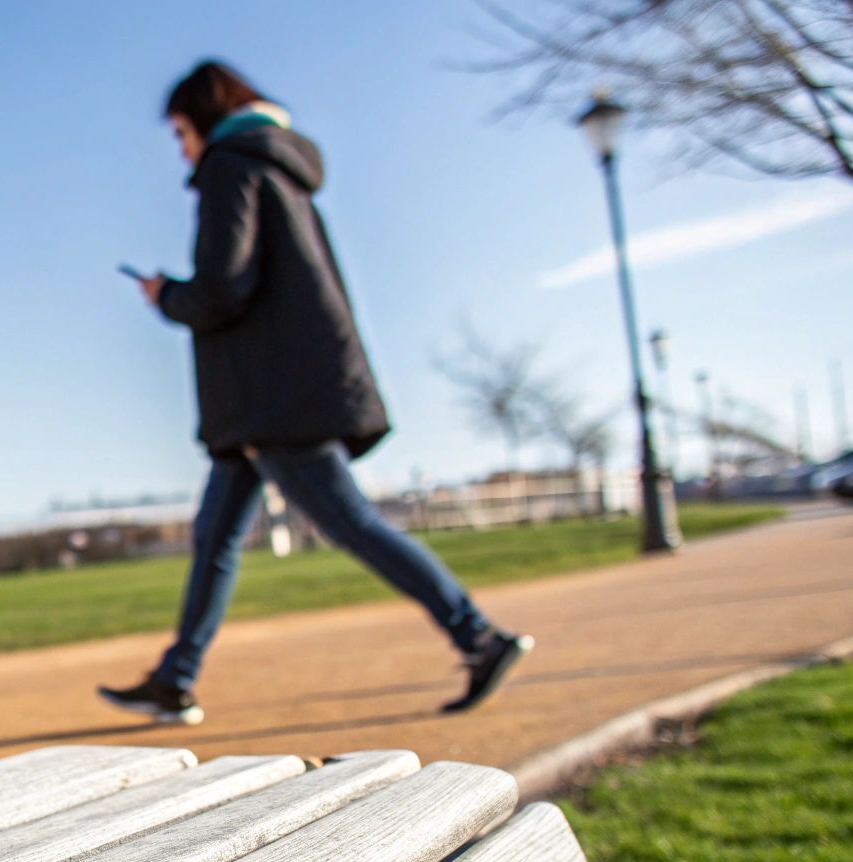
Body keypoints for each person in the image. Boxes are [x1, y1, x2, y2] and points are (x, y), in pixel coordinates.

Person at [99, 61, 531, 726]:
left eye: (182, 131)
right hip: (270, 393)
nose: (182, 149)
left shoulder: (229, 167)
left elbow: (223, 290)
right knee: (213, 536)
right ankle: (175, 676)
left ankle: (479, 636)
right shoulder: (281, 171)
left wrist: (168, 297)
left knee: (348, 522)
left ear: (205, 120)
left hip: (272, 397)